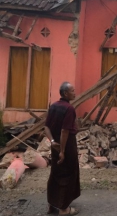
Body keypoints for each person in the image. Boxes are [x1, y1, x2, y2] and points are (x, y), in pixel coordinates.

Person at [44, 82, 81, 215]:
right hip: (67, 146)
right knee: (67, 174)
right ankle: (64, 209)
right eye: (72, 90)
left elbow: (46, 127)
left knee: (55, 173)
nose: (74, 92)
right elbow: (65, 131)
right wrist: (62, 151)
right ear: (65, 93)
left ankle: (51, 203)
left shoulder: (54, 106)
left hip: (55, 146)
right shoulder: (69, 109)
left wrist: (52, 141)